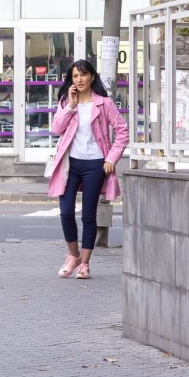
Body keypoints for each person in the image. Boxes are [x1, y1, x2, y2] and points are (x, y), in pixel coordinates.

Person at [47, 59, 128, 280]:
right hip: (70, 164)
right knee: (65, 211)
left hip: (95, 164)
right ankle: (72, 256)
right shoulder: (66, 101)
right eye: (75, 76)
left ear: (92, 77)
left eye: (83, 75)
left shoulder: (104, 103)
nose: (79, 79)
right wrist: (71, 107)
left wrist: (111, 158)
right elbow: (56, 129)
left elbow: (122, 131)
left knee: (89, 215)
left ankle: (84, 264)